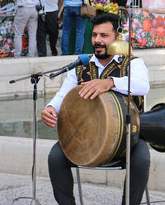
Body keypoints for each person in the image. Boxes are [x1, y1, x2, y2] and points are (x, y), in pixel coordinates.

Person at [41, 13, 150, 205]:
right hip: (86, 139)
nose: (97, 40)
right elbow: (62, 95)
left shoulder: (133, 63)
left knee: (141, 160)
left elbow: (143, 85)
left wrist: (110, 82)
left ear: (117, 37)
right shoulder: (81, 68)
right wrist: (50, 108)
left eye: (104, 36)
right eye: (94, 35)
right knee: (56, 157)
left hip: (126, 139)